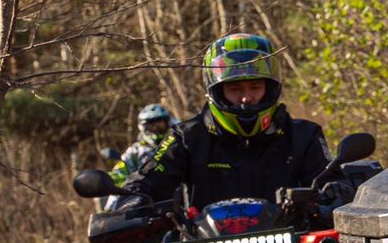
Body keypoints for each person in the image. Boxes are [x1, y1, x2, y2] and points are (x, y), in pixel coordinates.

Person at [123, 33, 331, 209]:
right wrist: (130, 202)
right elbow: (146, 181)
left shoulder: (304, 136)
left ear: (270, 88)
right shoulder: (187, 137)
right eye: (235, 89)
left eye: (255, 88)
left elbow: (329, 181)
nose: (246, 98)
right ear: (217, 91)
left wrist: (335, 191)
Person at [109, 103, 175, 188]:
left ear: (167, 123)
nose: (156, 128)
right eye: (151, 125)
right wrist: (107, 180)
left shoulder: (177, 144)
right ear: (143, 127)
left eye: (160, 124)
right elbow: (120, 171)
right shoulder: (136, 150)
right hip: (149, 197)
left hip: (184, 195)